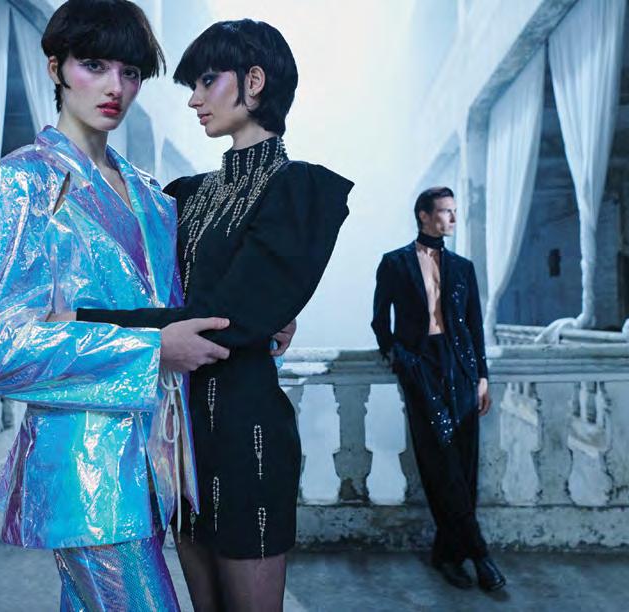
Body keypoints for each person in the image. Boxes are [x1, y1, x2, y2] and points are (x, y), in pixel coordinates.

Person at [71, 19, 353, 611]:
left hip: (247, 433)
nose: (194, 99)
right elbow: (154, 290)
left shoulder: (303, 190)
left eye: (206, 81)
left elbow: (223, 321)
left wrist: (81, 320)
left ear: (254, 81)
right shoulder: (185, 194)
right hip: (178, 434)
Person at [0, 2, 231, 609]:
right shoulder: (22, 182)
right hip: (83, 473)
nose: (116, 87)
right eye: (94, 65)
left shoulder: (153, 198)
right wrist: (150, 349)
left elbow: (175, 311)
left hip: (156, 462)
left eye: (131, 72)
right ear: (55, 67)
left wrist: (261, 321)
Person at [370, 187, 506, 592]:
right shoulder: (394, 263)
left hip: (460, 366)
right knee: (440, 461)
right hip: (420, 366)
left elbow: (475, 325)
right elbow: (379, 320)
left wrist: (482, 376)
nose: (453, 219)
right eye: (446, 212)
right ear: (424, 216)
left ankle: (447, 554)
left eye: (454, 211)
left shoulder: (463, 268)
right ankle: (481, 556)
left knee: (463, 464)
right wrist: (398, 357)